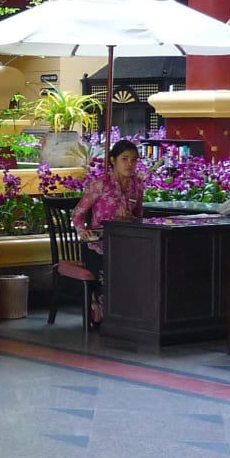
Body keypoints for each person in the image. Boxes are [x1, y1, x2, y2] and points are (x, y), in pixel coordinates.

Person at [71, 139, 145, 326]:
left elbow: (139, 217)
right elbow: (77, 214)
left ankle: (125, 315)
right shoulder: (101, 184)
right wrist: (83, 232)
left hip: (125, 244)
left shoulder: (137, 185)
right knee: (107, 275)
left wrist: (129, 219)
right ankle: (101, 307)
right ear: (113, 160)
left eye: (134, 160)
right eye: (124, 159)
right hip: (98, 244)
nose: (130, 164)